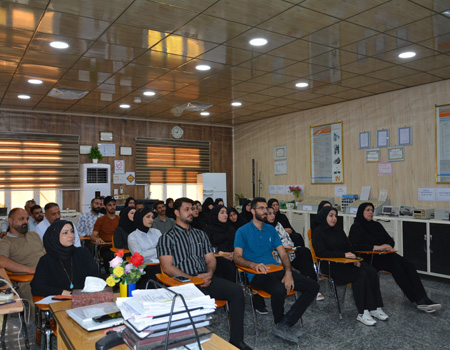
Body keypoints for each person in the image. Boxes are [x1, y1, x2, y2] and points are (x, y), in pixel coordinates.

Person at [157, 198, 252, 350]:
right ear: (176, 212)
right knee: (198, 300)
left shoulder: (200, 234)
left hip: (205, 278)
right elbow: (168, 268)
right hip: (184, 283)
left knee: (236, 291)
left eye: (192, 209)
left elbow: (210, 259)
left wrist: (209, 273)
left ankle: (236, 340)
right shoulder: (166, 238)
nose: (190, 212)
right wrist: (193, 279)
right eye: (186, 209)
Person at [234, 198, 319, 343]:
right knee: (280, 289)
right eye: (261, 208)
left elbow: (283, 253)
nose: (265, 211)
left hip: (275, 270)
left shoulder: (270, 229)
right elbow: (237, 258)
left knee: (313, 286)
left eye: (266, 208)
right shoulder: (242, 231)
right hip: (256, 274)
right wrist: (253, 265)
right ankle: (280, 323)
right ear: (252, 211)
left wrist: (288, 272)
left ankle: (285, 323)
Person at [349, 202, 441, 313]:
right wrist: (377, 247)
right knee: (397, 268)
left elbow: (390, 240)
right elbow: (356, 246)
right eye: (367, 210)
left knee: (409, 265)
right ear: (361, 212)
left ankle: (424, 297)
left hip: (386, 255)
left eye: (372, 210)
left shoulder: (376, 225)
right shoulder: (356, 227)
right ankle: (418, 300)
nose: (371, 212)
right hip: (370, 257)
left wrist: (387, 246)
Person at [312, 206, 388, 326]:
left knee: (371, 271)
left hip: (346, 262)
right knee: (360, 275)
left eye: (335, 216)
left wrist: (354, 258)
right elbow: (321, 253)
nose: (334, 219)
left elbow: (349, 247)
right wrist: (343, 255)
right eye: (331, 216)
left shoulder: (338, 230)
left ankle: (375, 308)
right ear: (324, 216)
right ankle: (362, 312)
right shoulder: (318, 233)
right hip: (331, 265)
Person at [266, 207, 324, 301]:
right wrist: (283, 248)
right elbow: (269, 245)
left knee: (305, 252)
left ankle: (312, 283)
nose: (272, 216)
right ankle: (308, 285)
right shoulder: (264, 228)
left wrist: (289, 245)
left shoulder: (278, 224)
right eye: (269, 214)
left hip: (289, 253)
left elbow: (287, 237)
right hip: (277, 256)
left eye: (273, 213)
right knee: (301, 257)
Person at [31, 220, 99, 297]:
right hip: (60, 303)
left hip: (86, 299)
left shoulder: (83, 253)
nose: (71, 235)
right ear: (55, 236)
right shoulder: (46, 260)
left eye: (72, 231)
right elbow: (37, 287)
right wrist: (64, 292)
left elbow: (95, 277)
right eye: (65, 233)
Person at [0, 208, 45, 306]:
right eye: (21, 219)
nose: (25, 221)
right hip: (27, 280)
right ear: (10, 221)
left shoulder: (34, 235)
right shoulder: (6, 241)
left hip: (48, 273)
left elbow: (44, 253)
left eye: (27, 219)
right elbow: (2, 261)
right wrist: (30, 270)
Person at [128, 207, 162, 289]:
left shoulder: (157, 232)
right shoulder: (132, 236)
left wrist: (147, 253)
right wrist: (157, 250)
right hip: (144, 268)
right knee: (151, 272)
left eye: (152, 217)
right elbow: (138, 256)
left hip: (161, 264)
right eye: (148, 217)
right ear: (140, 218)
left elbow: (164, 248)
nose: (151, 220)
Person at [205, 205, 236, 282]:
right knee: (225, 265)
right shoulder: (208, 230)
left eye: (226, 213)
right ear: (215, 214)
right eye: (222, 213)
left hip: (232, 256)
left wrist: (234, 252)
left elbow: (236, 243)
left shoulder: (230, 228)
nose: (225, 215)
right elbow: (208, 247)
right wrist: (220, 253)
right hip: (216, 257)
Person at [91, 196, 119, 263]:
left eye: (114, 205)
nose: (112, 207)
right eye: (109, 205)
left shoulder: (120, 219)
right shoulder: (100, 220)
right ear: (105, 206)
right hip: (105, 246)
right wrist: (97, 239)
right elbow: (93, 236)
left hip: (118, 246)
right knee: (110, 256)